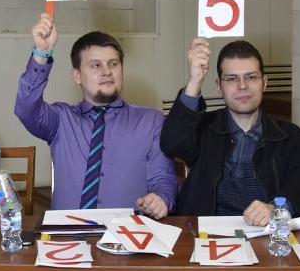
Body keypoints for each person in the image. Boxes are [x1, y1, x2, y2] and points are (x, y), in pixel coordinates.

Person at [14, 13, 177, 219]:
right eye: (95, 65)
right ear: (77, 76)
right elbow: (26, 108)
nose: (106, 71)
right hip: (66, 233)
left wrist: (162, 198)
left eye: (113, 64)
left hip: (127, 232)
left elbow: (163, 177)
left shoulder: (151, 121)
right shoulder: (61, 120)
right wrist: (41, 53)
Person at [161, 38, 300, 224]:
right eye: (231, 78)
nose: (242, 86)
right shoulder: (201, 128)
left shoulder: (292, 137)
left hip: (265, 232)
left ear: (264, 83)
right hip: (206, 232)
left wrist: (276, 208)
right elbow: (171, 144)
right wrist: (195, 81)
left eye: (251, 77)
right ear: (219, 86)